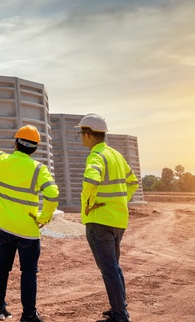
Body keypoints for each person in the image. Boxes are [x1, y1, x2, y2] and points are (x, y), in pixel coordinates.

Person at [0, 122, 59, 322]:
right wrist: (43, 218)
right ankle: (29, 315)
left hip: (3, 226)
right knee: (28, 271)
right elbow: (53, 194)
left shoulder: (1, 160)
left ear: (15, 144)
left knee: (2, 266)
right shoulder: (39, 169)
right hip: (27, 230)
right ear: (35, 148)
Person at [77, 114, 139, 322]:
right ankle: (119, 307)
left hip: (99, 220)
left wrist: (88, 204)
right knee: (114, 266)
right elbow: (133, 183)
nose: (81, 137)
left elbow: (91, 181)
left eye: (81, 134)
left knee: (109, 269)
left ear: (87, 134)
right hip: (118, 219)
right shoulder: (116, 155)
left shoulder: (96, 156)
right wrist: (120, 201)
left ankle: (120, 315)